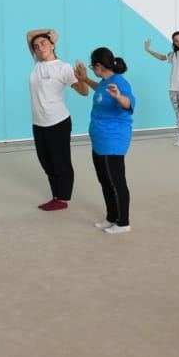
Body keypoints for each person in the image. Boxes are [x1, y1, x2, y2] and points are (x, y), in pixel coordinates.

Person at [74, 48, 136, 234]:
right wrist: (84, 79)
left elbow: (128, 103)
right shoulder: (105, 81)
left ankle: (123, 222)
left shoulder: (120, 83)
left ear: (98, 66)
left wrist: (118, 97)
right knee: (104, 180)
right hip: (100, 138)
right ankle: (111, 217)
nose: (92, 69)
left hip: (113, 139)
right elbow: (100, 89)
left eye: (92, 67)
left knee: (116, 181)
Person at [26, 28, 90, 211]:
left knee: (60, 161)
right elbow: (29, 35)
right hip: (38, 123)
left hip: (58, 122)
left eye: (44, 43)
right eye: (36, 46)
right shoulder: (37, 63)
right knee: (45, 161)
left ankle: (62, 199)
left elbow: (84, 92)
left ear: (52, 45)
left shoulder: (63, 67)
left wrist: (83, 77)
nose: (39, 47)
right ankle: (56, 195)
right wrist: (48, 31)